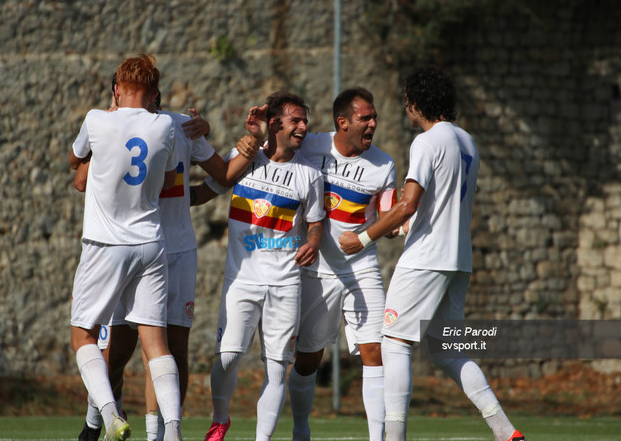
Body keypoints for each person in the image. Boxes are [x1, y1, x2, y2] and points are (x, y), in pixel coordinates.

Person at [339, 67, 526, 441]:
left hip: (425, 260)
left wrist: (363, 238)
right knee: (447, 351)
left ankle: (394, 437)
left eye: (406, 101)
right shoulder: (467, 140)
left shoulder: (426, 142)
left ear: (414, 103)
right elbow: (439, 207)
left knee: (394, 341)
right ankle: (506, 431)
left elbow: (408, 203)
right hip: (458, 260)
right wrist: (404, 225)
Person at [76, 74, 262, 441]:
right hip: (130, 249)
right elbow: (81, 180)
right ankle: (94, 423)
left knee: (171, 350)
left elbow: (223, 175)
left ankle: (157, 435)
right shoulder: (108, 126)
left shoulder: (180, 126)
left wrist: (250, 144)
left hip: (174, 250)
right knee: (115, 354)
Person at [201, 92, 326, 441]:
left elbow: (316, 222)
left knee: (277, 368)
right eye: (295, 120)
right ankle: (220, 418)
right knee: (227, 359)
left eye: (305, 120)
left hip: (286, 284)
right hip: (242, 280)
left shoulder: (309, 175)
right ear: (275, 124)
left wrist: (313, 241)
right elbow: (207, 189)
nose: (303, 127)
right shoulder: (245, 158)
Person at [68, 54, 180, 441]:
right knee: (156, 344)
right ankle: (174, 430)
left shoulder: (96, 119)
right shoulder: (164, 125)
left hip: (105, 244)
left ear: (116, 89)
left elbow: (74, 161)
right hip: (150, 243)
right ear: (154, 94)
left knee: (83, 334)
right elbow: (166, 180)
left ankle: (111, 414)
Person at [288, 87, 398, 441]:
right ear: (343, 122)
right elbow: (274, 154)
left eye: (374, 117)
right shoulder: (312, 146)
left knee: (375, 352)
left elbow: (386, 214)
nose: (373, 124)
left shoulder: (384, 164)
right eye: (366, 118)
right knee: (307, 359)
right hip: (315, 269)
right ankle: (301, 429)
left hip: (361, 270)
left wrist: (393, 226)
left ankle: (377, 438)